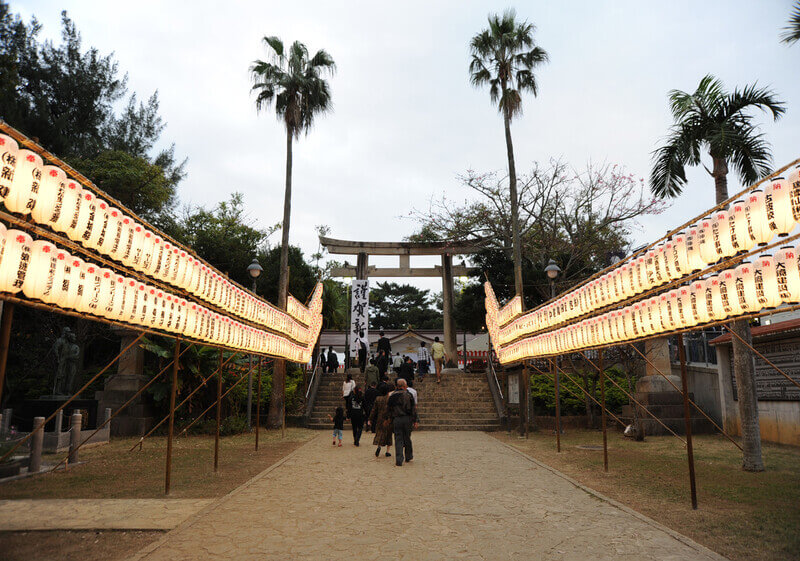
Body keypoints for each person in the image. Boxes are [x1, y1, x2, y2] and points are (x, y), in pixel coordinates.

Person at [387, 378, 418, 466]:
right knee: (407, 437)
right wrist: (415, 420)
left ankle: (399, 459)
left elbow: (389, 409)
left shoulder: (392, 396)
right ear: (404, 386)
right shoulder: (408, 395)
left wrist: (388, 419)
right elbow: (413, 409)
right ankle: (408, 455)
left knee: (398, 438)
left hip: (396, 419)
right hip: (407, 418)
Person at [368, 384, 393, 457]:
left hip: (380, 418)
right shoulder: (389, 399)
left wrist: (370, 418)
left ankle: (379, 445)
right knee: (389, 434)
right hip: (388, 418)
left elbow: (374, 410)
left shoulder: (378, 398)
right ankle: (387, 451)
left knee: (379, 432)